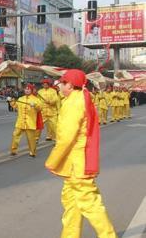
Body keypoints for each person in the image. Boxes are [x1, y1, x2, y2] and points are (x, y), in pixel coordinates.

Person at [45, 69, 117, 238]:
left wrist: (53, 160)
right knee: (71, 203)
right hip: (75, 164)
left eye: (62, 83)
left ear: (70, 85)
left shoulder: (73, 102)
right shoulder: (78, 98)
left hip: (77, 163)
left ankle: (108, 235)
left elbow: (66, 138)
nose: (59, 86)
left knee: (89, 203)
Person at [9, 84, 43, 157]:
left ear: (31, 90)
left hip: (30, 122)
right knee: (15, 135)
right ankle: (13, 151)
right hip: (20, 122)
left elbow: (40, 108)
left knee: (31, 139)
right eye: (25, 89)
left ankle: (32, 152)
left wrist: (35, 105)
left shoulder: (36, 99)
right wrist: (11, 101)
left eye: (28, 89)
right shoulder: (21, 99)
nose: (27, 90)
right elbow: (15, 106)